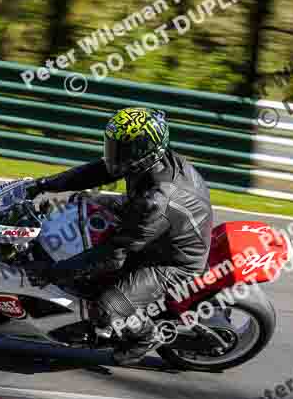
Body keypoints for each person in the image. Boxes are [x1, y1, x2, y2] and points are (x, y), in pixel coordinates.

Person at [25, 107, 214, 365]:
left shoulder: (157, 200)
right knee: (80, 203)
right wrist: (44, 185)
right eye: (112, 146)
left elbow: (114, 256)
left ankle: (143, 336)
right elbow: (96, 172)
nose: (112, 153)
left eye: (120, 149)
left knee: (105, 307)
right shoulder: (146, 164)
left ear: (143, 151)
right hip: (153, 225)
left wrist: (52, 273)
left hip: (171, 261)